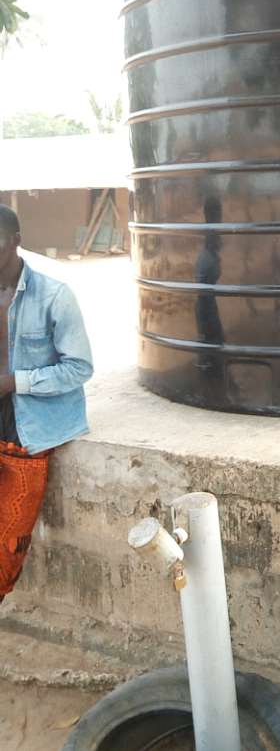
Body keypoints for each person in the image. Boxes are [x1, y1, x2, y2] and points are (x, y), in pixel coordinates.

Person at [0, 204, 93, 602]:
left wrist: (13, 382)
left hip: (26, 434)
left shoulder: (54, 295)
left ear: (16, 241)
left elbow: (79, 367)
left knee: (7, 550)